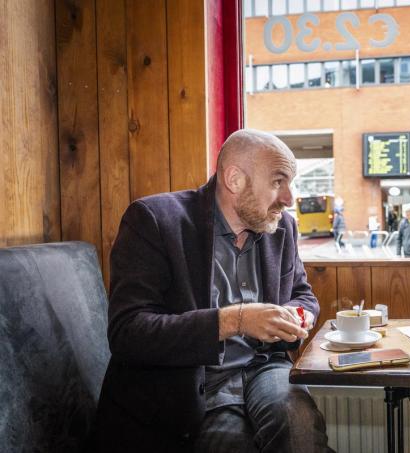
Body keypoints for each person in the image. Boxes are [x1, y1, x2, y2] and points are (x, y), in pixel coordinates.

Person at [94, 129, 332, 453]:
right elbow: (128, 332)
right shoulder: (154, 221)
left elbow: (303, 294)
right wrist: (236, 320)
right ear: (235, 180)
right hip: (192, 382)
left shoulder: (280, 228)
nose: (289, 198)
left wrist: (297, 315)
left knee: (299, 424)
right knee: (235, 444)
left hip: (263, 365)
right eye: (278, 182)